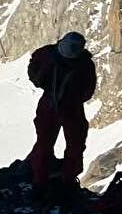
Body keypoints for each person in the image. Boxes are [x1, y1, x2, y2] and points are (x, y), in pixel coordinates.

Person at [26, 31, 97, 189]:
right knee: (72, 142)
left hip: (53, 103)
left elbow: (34, 69)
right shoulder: (84, 63)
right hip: (69, 106)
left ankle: (42, 179)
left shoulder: (49, 54)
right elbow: (88, 89)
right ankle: (66, 179)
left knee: (47, 141)